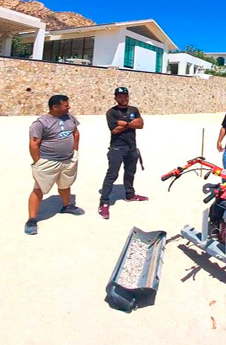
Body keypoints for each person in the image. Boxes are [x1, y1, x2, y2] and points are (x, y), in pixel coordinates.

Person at [26, 95, 84, 235]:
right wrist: (38, 161)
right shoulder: (41, 123)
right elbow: (34, 143)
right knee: (39, 188)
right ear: (55, 107)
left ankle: (67, 206)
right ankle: (31, 220)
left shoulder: (70, 118)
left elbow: (75, 133)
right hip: (48, 161)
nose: (68, 107)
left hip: (68, 160)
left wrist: (75, 151)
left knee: (65, 185)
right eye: (65, 105)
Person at [98, 87, 148, 219]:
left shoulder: (134, 110)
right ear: (115, 98)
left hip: (132, 148)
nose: (123, 98)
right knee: (112, 175)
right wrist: (131, 123)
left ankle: (130, 195)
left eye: (125, 96)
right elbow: (114, 130)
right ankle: (104, 203)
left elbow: (141, 125)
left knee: (130, 173)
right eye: (120, 96)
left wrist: (124, 124)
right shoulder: (111, 112)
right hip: (117, 149)